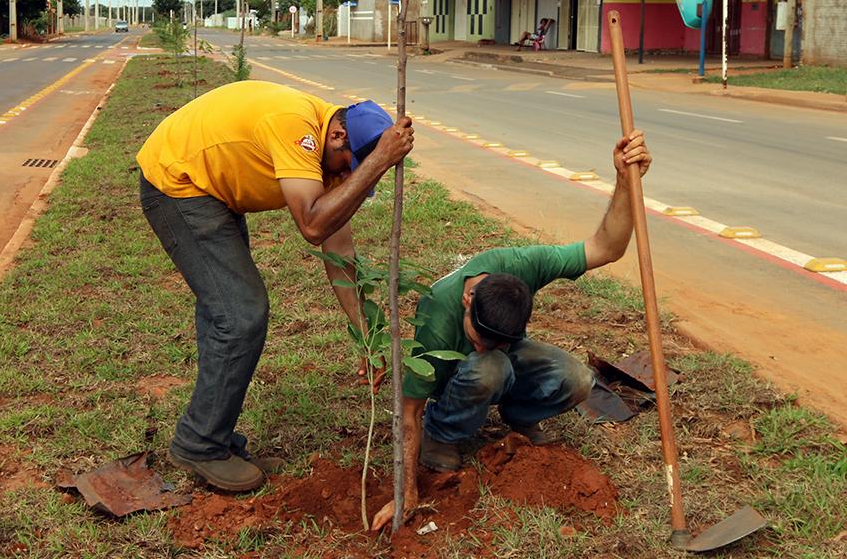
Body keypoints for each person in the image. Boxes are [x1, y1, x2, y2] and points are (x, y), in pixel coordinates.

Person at [137, 79, 415, 493]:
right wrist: (378, 162)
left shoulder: (333, 144)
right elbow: (313, 224)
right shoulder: (298, 129)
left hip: (213, 191)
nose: (344, 178)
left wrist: (366, 335)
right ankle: (200, 443)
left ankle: (214, 435)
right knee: (241, 315)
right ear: (337, 136)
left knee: (226, 315)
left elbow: (338, 251)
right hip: (178, 183)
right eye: (347, 168)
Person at [371, 130, 651, 531]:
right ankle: (446, 431)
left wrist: (625, 180)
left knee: (577, 378)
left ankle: (518, 415)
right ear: (468, 301)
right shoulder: (437, 317)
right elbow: (408, 412)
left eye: (494, 341)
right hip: (451, 380)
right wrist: (406, 492)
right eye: (476, 337)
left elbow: (607, 248)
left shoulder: (522, 265)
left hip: (501, 361)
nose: (481, 345)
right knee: (491, 367)